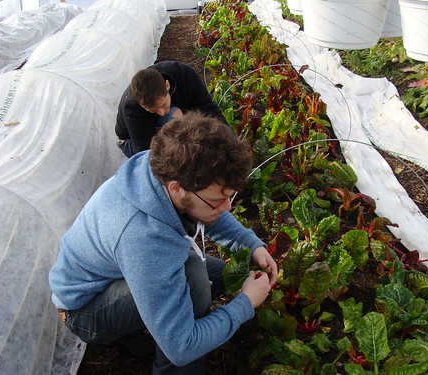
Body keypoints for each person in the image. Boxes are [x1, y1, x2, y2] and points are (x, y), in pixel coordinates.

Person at [49, 111, 278, 374]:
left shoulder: (167, 165)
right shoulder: (144, 239)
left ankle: (142, 331)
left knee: (214, 273)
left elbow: (205, 210)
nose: (226, 208)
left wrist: (252, 244)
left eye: (229, 197)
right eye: (218, 201)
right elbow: (182, 347)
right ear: (176, 188)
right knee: (194, 279)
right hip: (85, 310)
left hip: (115, 273)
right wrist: (245, 304)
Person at [115, 61, 228, 157]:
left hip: (164, 124)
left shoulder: (185, 75)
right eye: (153, 111)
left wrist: (229, 139)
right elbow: (145, 154)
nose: (161, 112)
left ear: (167, 85)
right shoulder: (131, 107)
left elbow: (209, 109)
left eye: (163, 105)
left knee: (176, 116)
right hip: (131, 142)